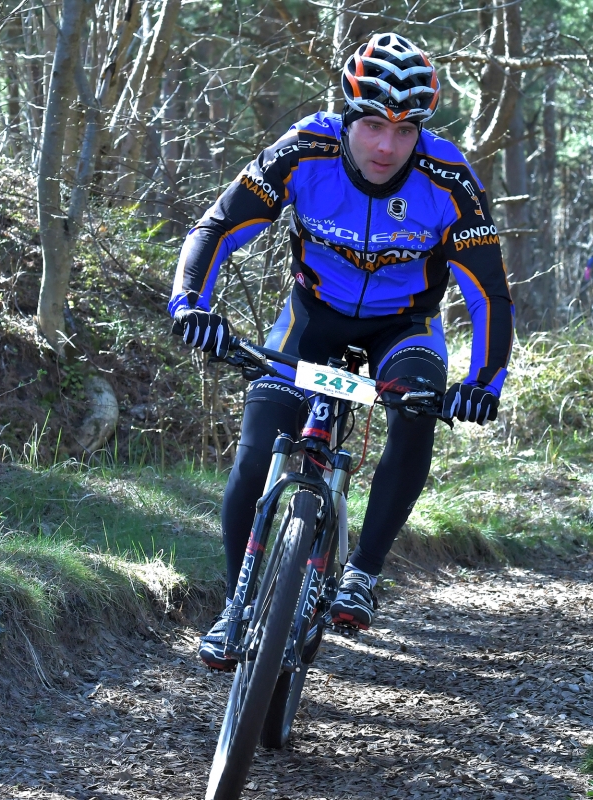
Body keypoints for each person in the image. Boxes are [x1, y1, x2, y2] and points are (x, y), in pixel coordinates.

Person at [167, 32, 515, 670]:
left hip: (404, 326)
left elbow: (488, 291)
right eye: (374, 125)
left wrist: (483, 381)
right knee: (258, 448)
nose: (386, 146)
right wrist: (192, 303)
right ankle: (235, 605)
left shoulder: (450, 180)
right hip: (313, 318)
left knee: (416, 409)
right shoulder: (306, 149)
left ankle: (363, 572)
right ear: (348, 115)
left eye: (405, 131)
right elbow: (217, 226)